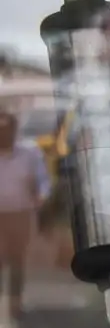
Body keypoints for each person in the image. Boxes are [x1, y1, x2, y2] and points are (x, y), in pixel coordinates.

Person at [0, 107, 51, 315]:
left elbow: (43, 181)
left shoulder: (30, 152)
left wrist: (41, 196)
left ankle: (15, 303)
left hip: (20, 213)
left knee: (16, 259)